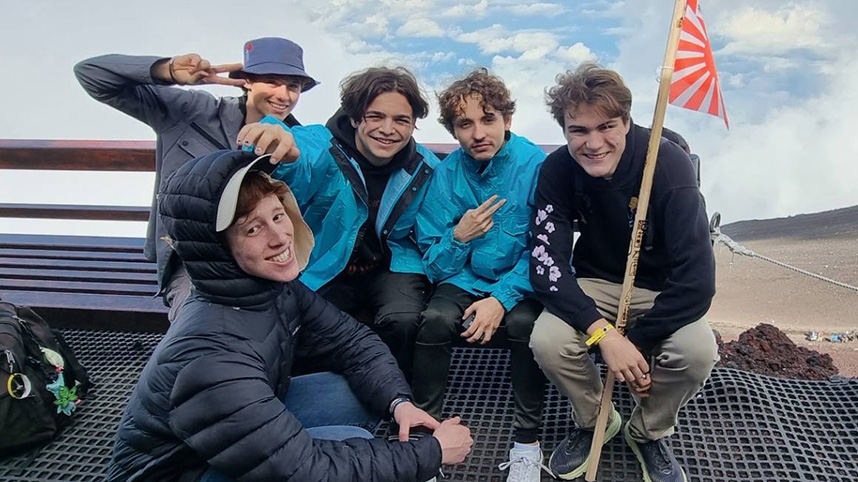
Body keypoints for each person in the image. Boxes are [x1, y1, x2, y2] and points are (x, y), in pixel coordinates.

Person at [108, 150, 473, 482]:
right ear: (216, 249)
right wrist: (431, 454)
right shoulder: (209, 356)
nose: (280, 238)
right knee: (355, 442)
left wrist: (400, 402)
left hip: (226, 437)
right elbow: (306, 469)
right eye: (253, 228)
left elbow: (352, 341)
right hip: (183, 472)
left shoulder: (269, 288)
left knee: (353, 393)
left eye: (278, 215)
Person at [528, 63, 718, 482]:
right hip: (596, 283)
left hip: (661, 288)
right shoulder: (557, 170)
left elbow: (697, 282)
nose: (593, 143)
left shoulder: (669, 166)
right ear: (564, 130)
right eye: (578, 130)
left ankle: (648, 431)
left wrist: (636, 343)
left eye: (607, 127)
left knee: (697, 353)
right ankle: (597, 418)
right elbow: (546, 266)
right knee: (548, 339)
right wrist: (605, 336)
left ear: (627, 121)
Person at [74, 37, 317, 322]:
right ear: (247, 81)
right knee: (201, 326)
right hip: (194, 260)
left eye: (293, 86)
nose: (284, 95)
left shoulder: (298, 143)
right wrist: (167, 71)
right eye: (272, 81)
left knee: (293, 326)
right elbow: (92, 75)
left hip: (266, 254)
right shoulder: (192, 111)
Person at [251, 66, 439, 382]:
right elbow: (297, 155)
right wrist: (278, 139)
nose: (388, 129)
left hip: (392, 265)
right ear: (354, 118)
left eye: (401, 120)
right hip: (328, 261)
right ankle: (318, 394)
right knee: (303, 319)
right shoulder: (323, 146)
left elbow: (436, 224)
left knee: (404, 320)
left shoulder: (424, 166)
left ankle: (397, 394)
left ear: (413, 125)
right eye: (375, 116)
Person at [412, 68, 548, 482]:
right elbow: (433, 261)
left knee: (527, 327)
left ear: (507, 120)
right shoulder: (448, 173)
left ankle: (527, 443)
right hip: (464, 276)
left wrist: (502, 299)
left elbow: (544, 250)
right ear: (453, 130)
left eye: (487, 119)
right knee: (434, 321)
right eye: (464, 124)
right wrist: (459, 235)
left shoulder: (536, 166)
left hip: (521, 279)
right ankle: (426, 441)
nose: (477, 133)